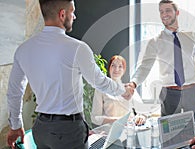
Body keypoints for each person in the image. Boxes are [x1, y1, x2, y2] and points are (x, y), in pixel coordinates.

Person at [6, 0, 133, 148]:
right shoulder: (77, 48)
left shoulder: (23, 49)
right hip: (68, 130)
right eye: (72, 11)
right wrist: (123, 90)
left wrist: (16, 126)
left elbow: (14, 92)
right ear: (62, 14)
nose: (74, 16)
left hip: (41, 129)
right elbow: (99, 82)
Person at [128, 0, 195, 123]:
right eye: (161, 11)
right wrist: (133, 83)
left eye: (168, 10)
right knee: (169, 136)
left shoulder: (191, 36)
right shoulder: (155, 41)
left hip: (192, 91)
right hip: (169, 94)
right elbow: (144, 66)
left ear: (177, 12)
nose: (164, 14)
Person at [91, 55, 145, 128]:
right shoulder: (101, 89)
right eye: (113, 65)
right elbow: (95, 118)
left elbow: (143, 112)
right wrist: (117, 120)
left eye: (120, 66)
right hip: (109, 130)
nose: (116, 69)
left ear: (124, 70)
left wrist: (141, 117)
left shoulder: (129, 89)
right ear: (109, 68)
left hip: (129, 129)